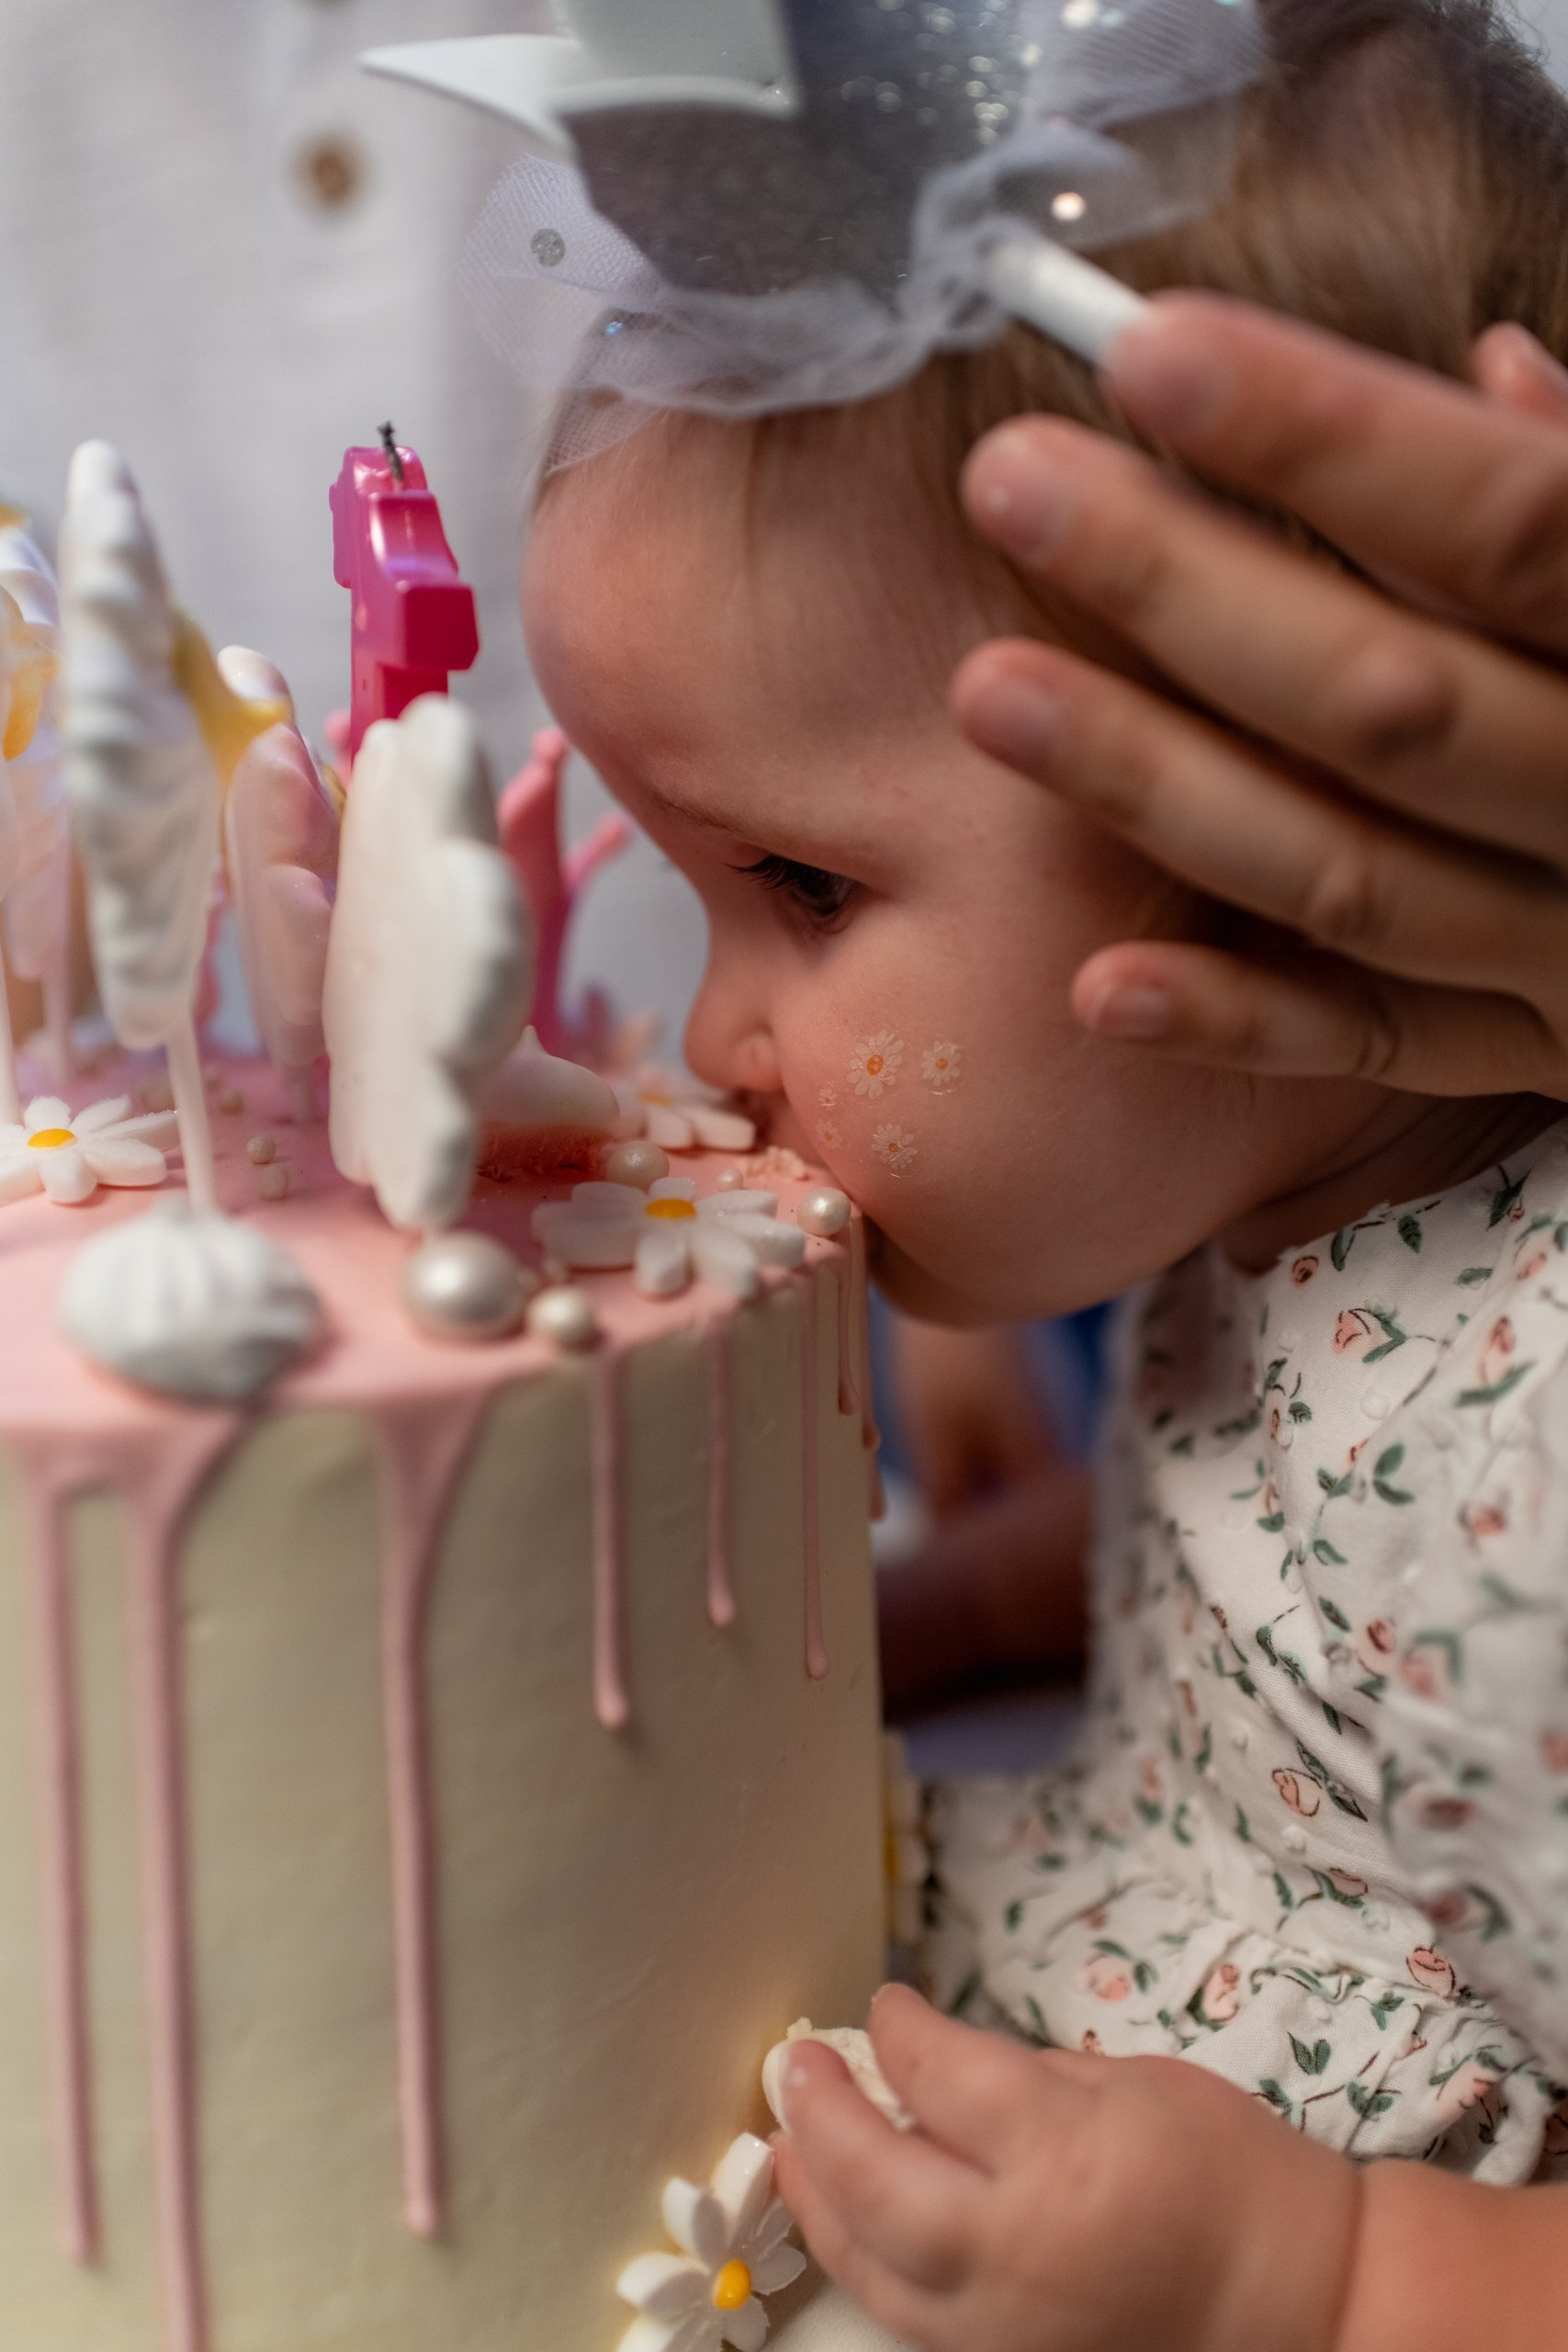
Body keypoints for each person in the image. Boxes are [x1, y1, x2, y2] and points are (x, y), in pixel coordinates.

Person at [517, 1, 1568, 2343]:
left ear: (1304, 822)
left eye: (801, 884)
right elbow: (1296, 1619)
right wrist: (944, 1613)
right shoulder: (1304, 1211)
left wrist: (1325, 2269)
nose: (715, 1039)